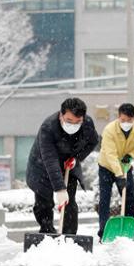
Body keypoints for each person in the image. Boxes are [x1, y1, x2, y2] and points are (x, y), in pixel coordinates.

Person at [26, 98, 99, 234]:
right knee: (44, 201)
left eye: (78, 122)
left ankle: (69, 235)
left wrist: (76, 158)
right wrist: (59, 189)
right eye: (69, 121)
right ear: (61, 115)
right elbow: (50, 159)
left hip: (68, 166)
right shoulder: (48, 128)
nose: (73, 125)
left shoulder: (87, 124)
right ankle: (46, 231)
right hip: (42, 166)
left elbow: (93, 141)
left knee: (69, 202)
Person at [97, 103, 134, 242]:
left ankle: (133, 231)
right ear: (119, 117)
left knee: (130, 198)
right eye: (123, 120)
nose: (126, 123)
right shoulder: (109, 130)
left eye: (129, 120)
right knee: (105, 199)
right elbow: (110, 154)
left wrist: (130, 156)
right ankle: (103, 232)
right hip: (106, 166)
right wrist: (118, 175)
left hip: (125, 165)